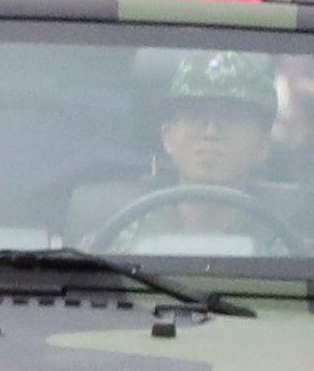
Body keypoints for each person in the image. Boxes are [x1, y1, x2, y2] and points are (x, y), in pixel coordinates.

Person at [72, 51, 298, 247]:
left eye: (231, 117)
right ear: (167, 136)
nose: (211, 131)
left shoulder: (292, 249)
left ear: (262, 146)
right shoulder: (115, 242)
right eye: (195, 114)